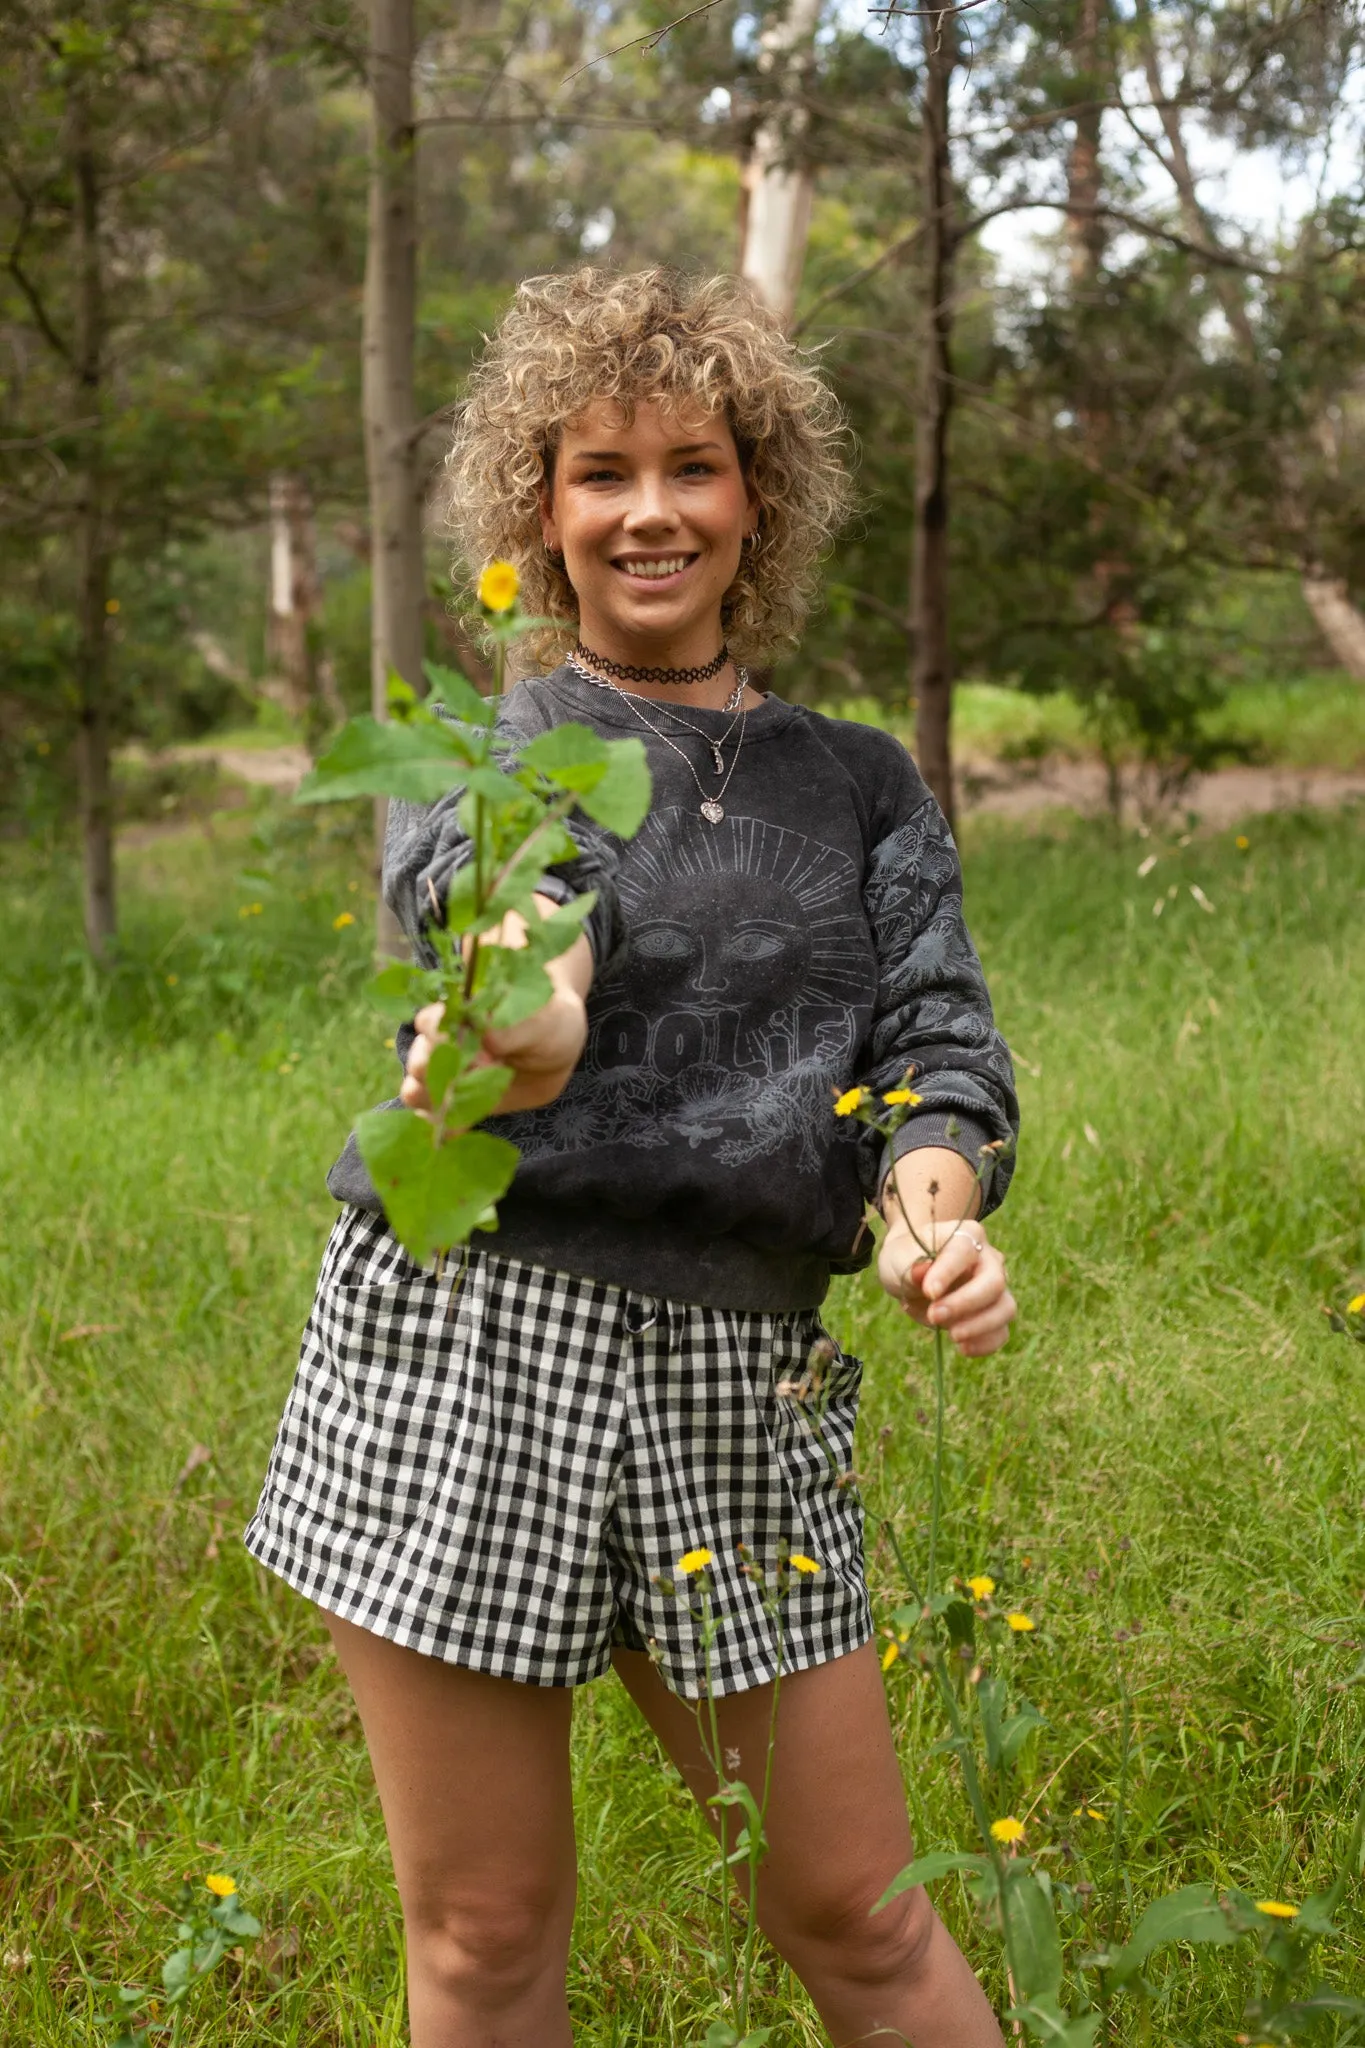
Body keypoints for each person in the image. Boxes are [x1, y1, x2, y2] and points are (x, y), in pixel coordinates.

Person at [246, 267, 1020, 2048]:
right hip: (472, 1353)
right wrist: (519, 1024)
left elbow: (936, 1053)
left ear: (760, 499)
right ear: (541, 508)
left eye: (694, 465)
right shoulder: (508, 751)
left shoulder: (862, 786)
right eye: (602, 471)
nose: (651, 509)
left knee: (863, 1916)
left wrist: (931, 1217)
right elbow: (527, 919)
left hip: (737, 1381)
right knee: (489, 1933)